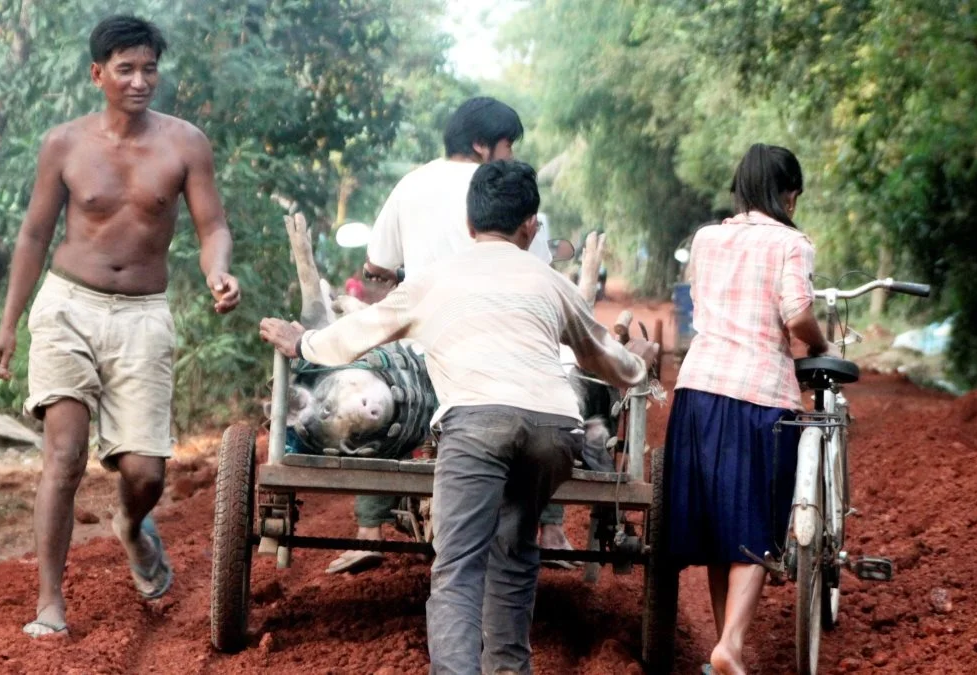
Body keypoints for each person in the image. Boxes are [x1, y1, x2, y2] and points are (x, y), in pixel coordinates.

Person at [259, 160, 656, 674]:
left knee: (459, 570)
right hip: (554, 431)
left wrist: (303, 341)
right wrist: (638, 366)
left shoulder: (435, 279)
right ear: (530, 227)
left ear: (470, 226)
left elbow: (359, 334)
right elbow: (605, 359)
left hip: (477, 426)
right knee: (513, 554)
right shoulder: (550, 280)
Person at [0, 15, 241, 638]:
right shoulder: (65, 144)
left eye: (149, 68)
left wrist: (219, 272)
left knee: (145, 474)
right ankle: (50, 603)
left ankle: (131, 524)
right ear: (98, 74)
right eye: (125, 69)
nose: (139, 80)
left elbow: (211, 227)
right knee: (65, 455)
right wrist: (9, 323)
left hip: (143, 316)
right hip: (67, 306)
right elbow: (34, 235)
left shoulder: (185, 144)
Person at [326, 96, 577, 575]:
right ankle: (552, 527)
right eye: (508, 146)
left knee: (374, 384)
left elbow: (377, 265)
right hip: (506, 357)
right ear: (483, 146)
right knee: (553, 395)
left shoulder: (411, 185)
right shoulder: (508, 193)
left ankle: (369, 530)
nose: (510, 157)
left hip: (427, 355)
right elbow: (538, 267)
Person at [663, 144, 835, 674]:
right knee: (756, 523)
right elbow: (796, 313)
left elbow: (703, 301)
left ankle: (725, 645)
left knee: (720, 526)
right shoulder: (792, 243)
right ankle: (730, 646)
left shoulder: (706, 239)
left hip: (699, 390)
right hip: (759, 393)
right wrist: (820, 344)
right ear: (789, 194)